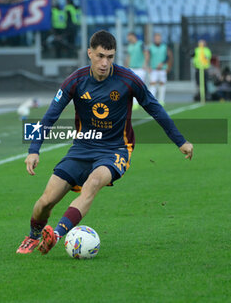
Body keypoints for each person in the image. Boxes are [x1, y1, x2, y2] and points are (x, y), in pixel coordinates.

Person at [16, 30, 193, 255]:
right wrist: (34, 150)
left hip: (116, 149)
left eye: (110, 57)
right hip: (82, 147)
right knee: (45, 202)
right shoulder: (75, 81)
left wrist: (180, 141)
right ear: (90, 53)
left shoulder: (128, 80)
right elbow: (50, 115)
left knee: (92, 183)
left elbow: (155, 108)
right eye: (100, 56)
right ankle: (33, 236)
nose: (104, 62)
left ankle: (57, 235)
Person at [145, 33, 173, 106]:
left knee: (162, 84)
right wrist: (148, 66)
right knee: (153, 84)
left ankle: (161, 100)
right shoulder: (151, 47)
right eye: (156, 38)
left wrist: (165, 65)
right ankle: (152, 101)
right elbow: (148, 57)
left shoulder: (164, 46)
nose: (157, 39)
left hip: (162, 69)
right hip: (153, 69)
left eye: (159, 38)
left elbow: (168, 56)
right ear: (154, 39)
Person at [126, 32, 147, 109]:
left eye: (129, 37)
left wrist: (145, 64)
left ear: (133, 36)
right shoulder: (130, 46)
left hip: (140, 68)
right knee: (132, 87)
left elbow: (146, 54)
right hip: (132, 68)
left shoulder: (141, 44)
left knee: (140, 86)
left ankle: (142, 102)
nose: (128, 39)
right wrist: (126, 67)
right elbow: (128, 57)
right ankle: (134, 104)